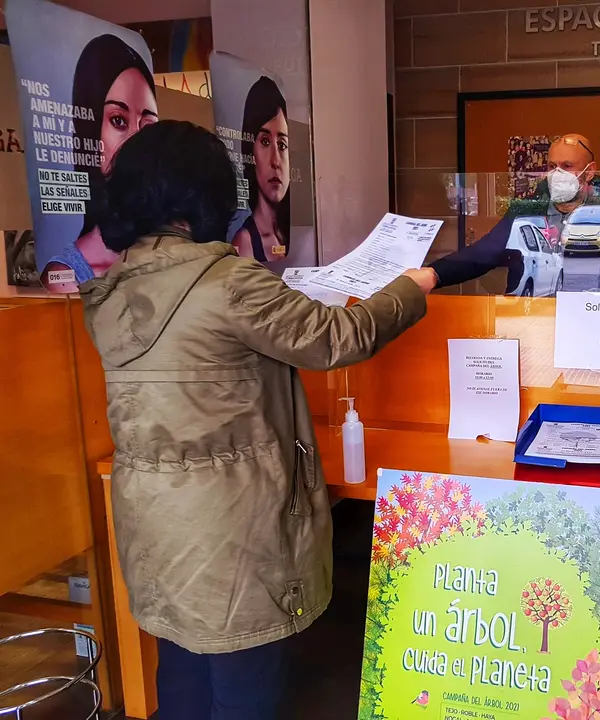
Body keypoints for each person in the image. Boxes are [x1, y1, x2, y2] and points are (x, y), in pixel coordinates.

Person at [79, 120, 436, 719]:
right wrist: (410, 288)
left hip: (154, 521)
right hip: (232, 525)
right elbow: (335, 339)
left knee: (185, 669)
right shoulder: (226, 284)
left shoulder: (112, 291)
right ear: (205, 194)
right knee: (247, 679)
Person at [425, 133, 600, 293]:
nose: (557, 174)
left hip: (587, 314)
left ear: (589, 172)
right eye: (551, 166)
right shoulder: (524, 212)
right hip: (528, 313)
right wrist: (435, 273)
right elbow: (484, 253)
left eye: (567, 166)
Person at [44, 34, 159, 293]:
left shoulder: (176, 251)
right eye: (118, 121)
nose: (135, 139)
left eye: (148, 125)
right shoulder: (68, 274)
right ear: (89, 131)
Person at [231, 76, 291, 263]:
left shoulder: (290, 235)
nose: (275, 161)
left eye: (282, 145)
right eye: (265, 142)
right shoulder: (244, 242)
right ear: (250, 152)